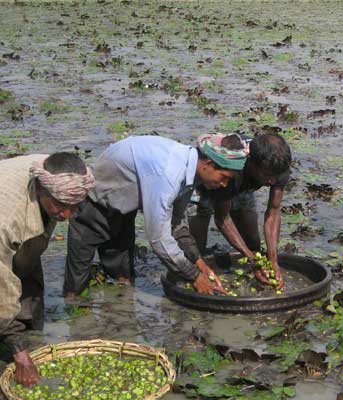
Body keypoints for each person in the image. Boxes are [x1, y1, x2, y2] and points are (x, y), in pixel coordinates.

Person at [63, 135, 247, 298]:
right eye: (223, 177)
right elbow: (159, 239)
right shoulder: (168, 175)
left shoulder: (189, 169)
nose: (223, 184)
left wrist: (198, 262)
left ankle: (122, 322)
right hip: (93, 205)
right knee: (77, 284)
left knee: (124, 278)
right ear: (208, 164)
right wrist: (194, 277)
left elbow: (177, 222)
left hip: (125, 207)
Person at [0, 152, 94, 386]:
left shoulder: (59, 173)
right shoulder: (7, 219)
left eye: (75, 207)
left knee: (27, 268)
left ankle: (29, 332)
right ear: (41, 189)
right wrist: (19, 353)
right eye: (62, 206)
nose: (68, 215)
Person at [180, 132, 292, 287]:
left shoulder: (278, 166)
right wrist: (252, 260)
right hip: (205, 185)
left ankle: (258, 270)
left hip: (242, 186)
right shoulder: (232, 166)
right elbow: (222, 219)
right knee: (196, 251)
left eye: (275, 176)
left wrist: (273, 261)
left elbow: (273, 213)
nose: (272, 181)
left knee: (253, 244)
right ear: (252, 163)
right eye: (267, 176)